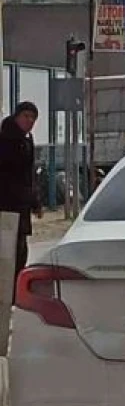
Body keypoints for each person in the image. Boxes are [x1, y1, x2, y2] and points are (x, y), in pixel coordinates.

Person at [0, 102, 42, 279]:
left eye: (33, 117)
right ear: (16, 117)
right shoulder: (5, 141)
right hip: (6, 204)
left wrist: (35, 201)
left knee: (20, 251)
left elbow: (29, 175)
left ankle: (13, 292)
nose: (29, 120)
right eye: (26, 116)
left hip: (22, 205)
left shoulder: (26, 141)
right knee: (8, 252)